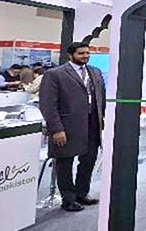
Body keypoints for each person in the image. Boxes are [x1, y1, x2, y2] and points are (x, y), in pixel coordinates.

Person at [39, 43, 105, 212]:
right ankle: (68, 199)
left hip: (92, 124)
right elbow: (48, 104)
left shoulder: (95, 72)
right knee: (65, 162)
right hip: (66, 126)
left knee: (89, 160)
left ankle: (81, 193)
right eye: (81, 53)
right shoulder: (55, 74)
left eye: (87, 53)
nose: (85, 56)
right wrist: (56, 129)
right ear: (70, 55)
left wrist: (101, 119)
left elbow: (100, 96)